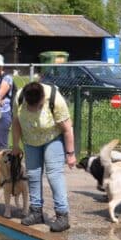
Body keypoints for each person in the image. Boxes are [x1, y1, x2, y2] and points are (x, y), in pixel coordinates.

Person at [11, 81, 76, 232]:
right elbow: (16, 122)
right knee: (32, 174)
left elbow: (67, 129)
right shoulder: (19, 98)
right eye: (30, 108)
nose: (34, 111)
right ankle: (36, 212)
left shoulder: (55, 99)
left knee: (54, 175)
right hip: (30, 140)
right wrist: (15, 145)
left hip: (52, 138)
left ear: (42, 100)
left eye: (38, 107)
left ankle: (62, 215)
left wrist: (70, 154)